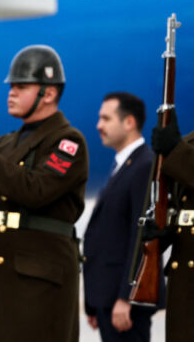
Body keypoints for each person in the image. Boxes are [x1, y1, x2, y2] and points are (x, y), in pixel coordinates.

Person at [0, 45, 88, 342]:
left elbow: (36, 190)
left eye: (21, 86)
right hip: (1, 277)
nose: (11, 93)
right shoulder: (6, 143)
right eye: (11, 87)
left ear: (49, 93)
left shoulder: (68, 142)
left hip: (39, 281)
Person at [83, 92, 162, 341]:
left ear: (129, 122)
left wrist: (127, 298)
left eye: (106, 119)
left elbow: (142, 238)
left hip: (124, 304)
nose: (99, 125)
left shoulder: (143, 166)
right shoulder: (126, 165)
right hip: (109, 299)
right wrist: (95, 302)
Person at [150, 108, 194, 342]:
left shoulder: (182, 149)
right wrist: (162, 231)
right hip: (185, 294)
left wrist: (177, 151)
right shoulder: (188, 143)